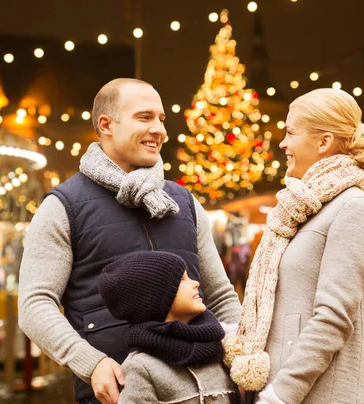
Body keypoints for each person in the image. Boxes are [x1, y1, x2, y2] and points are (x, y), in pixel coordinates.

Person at [18, 78, 241, 404]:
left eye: (161, 119)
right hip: (118, 394)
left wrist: (239, 359)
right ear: (106, 125)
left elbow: (221, 297)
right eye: (144, 117)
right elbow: (35, 305)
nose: (159, 130)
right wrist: (91, 363)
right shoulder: (63, 207)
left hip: (205, 390)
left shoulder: (186, 202)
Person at [222, 88, 364, 404]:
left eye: (290, 132)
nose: (282, 143)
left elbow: (333, 318)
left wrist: (280, 395)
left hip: (316, 396)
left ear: (323, 142)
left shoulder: (353, 209)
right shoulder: (302, 211)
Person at [98, 250, 239, 403]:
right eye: (183, 279)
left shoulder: (220, 349)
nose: (195, 283)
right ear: (155, 300)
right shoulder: (141, 369)